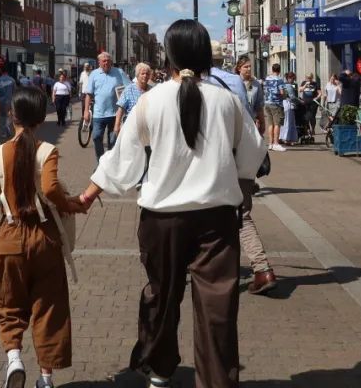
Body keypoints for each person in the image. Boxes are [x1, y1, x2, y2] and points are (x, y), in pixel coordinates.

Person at [78, 20, 267, 387]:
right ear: (205, 56)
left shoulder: (150, 101)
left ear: (168, 57)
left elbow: (122, 160)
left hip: (162, 220)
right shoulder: (227, 102)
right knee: (218, 309)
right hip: (217, 222)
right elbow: (252, 155)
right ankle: (216, 380)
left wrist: (86, 196)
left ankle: (160, 370)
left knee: (161, 298)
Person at [0, 87, 88, 388]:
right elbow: (51, 188)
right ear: (40, 119)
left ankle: (14, 358)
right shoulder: (47, 151)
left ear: (11, 115)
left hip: (9, 235)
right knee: (48, 305)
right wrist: (71, 205)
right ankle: (46, 378)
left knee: (7, 301)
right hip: (43, 236)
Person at [211, 52, 277, 296]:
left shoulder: (194, 83)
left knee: (203, 214)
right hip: (242, 156)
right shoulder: (235, 81)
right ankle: (262, 270)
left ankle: (215, 270)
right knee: (241, 215)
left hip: (214, 160)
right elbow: (249, 119)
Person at [83, 52, 130, 160]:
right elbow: (89, 94)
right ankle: (101, 161)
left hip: (115, 114)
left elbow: (129, 87)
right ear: (99, 62)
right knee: (96, 137)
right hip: (99, 114)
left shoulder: (119, 72)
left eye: (108, 61)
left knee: (112, 141)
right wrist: (86, 111)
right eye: (104, 61)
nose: (106, 63)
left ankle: (110, 163)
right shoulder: (94, 74)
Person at [114, 63, 152, 135]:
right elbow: (120, 109)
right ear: (137, 75)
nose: (145, 76)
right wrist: (117, 125)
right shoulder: (129, 89)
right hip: (131, 127)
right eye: (142, 74)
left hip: (148, 127)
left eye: (147, 74)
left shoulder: (152, 90)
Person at [262, 64, 291, 152]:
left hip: (267, 103)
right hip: (276, 104)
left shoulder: (267, 79)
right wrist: (286, 95)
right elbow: (282, 92)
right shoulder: (279, 80)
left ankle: (270, 144)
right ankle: (276, 143)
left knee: (270, 124)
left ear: (272, 69)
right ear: (279, 70)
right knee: (277, 124)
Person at [0, 67, 18, 137]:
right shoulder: (12, 80)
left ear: (1, 72)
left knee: (3, 117)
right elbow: (15, 91)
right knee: (11, 116)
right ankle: (8, 130)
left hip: (1, 101)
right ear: (7, 72)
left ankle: (4, 132)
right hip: (11, 100)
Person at [299, 73, 321, 138]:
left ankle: (313, 129)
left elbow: (320, 93)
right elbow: (300, 90)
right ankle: (308, 129)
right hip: (305, 102)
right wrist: (305, 85)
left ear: (312, 77)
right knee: (306, 117)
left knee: (312, 116)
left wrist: (316, 98)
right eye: (308, 78)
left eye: (310, 78)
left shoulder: (315, 84)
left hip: (313, 103)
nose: (309, 79)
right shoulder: (303, 83)